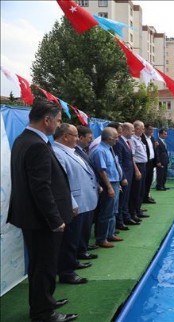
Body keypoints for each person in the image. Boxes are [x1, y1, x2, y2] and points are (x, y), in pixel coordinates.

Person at [7, 98, 78, 322]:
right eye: (57, 121)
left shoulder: (25, 139)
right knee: (44, 266)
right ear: (46, 120)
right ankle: (43, 313)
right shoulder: (36, 144)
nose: (58, 125)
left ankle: (45, 300)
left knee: (42, 264)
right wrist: (55, 219)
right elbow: (41, 187)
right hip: (42, 220)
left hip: (34, 218)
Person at [52, 124, 99, 285]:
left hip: (85, 199)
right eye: (75, 135)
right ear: (65, 136)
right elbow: (61, 183)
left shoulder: (72, 151)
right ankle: (66, 272)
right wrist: (71, 203)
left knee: (77, 236)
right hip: (74, 203)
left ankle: (73, 262)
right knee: (69, 239)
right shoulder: (57, 153)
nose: (78, 138)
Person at [90, 127, 125, 248]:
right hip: (107, 185)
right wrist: (109, 187)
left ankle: (110, 233)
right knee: (106, 212)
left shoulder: (109, 149)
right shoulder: (100, 151)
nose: (117, 139)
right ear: (109, 138)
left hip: (114, 183)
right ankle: (101, 238)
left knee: (112, 211)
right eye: (116, 137)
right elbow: (102, 171)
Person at [75, 125, 101, 259]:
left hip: (89, 192)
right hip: (80, 196)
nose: (90, 141)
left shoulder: (82, 151)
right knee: (80, 226)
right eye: (88, 138)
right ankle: (80, 251)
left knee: (86, 225)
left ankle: (83, 248)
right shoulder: (75, 152)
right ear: (80, 138)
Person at [113, 122, 140, 228]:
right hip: (124, 175)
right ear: (124, 130)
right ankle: (120, 222)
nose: (133, 132)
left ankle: (126, 217)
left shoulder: (127, 142)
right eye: (131, 130)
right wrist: (122, 177)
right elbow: (119, 162)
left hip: (129, 174)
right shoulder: (119, 143)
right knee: (122, 199)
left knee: (126, 198)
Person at [129, 120, 149, 220]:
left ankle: (138, 209)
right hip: (138, 166)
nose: (143, 130)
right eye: (142, 128)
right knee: (136, 191)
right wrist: (136, 170)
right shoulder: (132, 140)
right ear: (136, 129)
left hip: (143, 165)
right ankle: (133, 212)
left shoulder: (139, 139)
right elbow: (132, 156)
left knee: (141, 189)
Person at [141, 124, 157, 204]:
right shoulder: (141, 138)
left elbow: (154, 151)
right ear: (145, 129)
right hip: (144, 163)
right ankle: (142, 198)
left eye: (152, 130)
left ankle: (146, 197)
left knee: (149, 181)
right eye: (150, 129)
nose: (152, 131)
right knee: (143, 181)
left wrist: (156, 161)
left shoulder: (152, 139)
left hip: (151, 162)